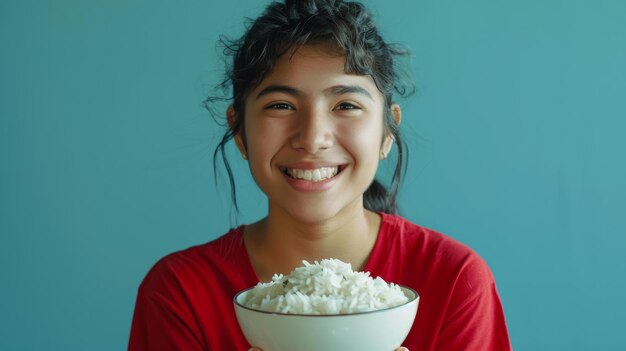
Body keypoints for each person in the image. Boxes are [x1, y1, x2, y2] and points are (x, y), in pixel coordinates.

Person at [128, 0, 512, 350]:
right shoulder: (180, 292)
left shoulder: (455, 281)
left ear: (387, 132)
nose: (312, 139)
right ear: (240, 131)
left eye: (345, 104)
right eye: (281, 105)